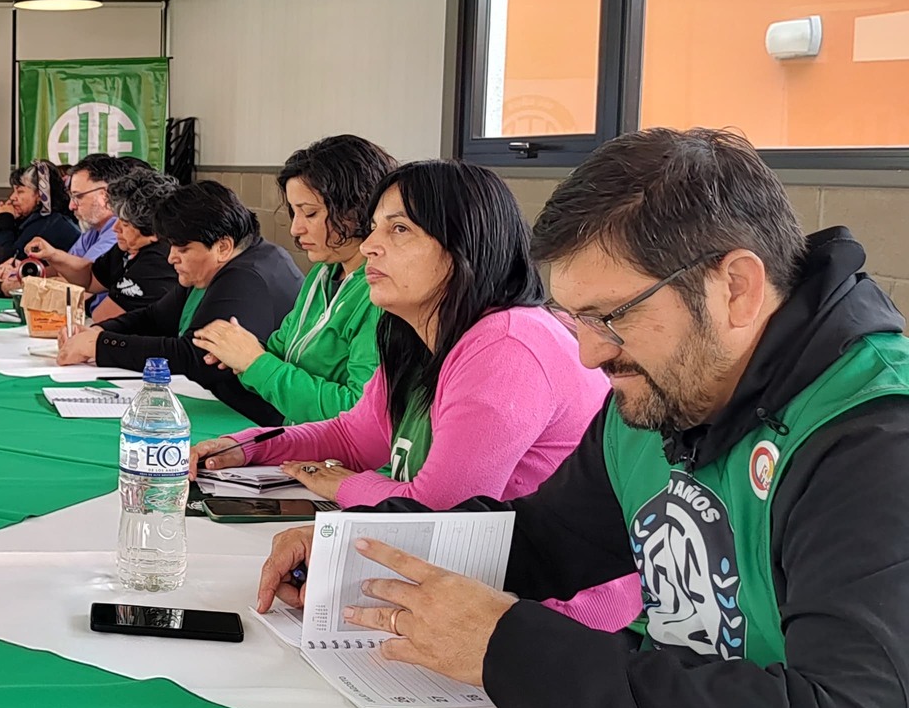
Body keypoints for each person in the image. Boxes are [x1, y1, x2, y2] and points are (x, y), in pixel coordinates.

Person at [255, 129, 909, 708]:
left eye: (611, 316)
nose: (590, 354)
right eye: (576, 319)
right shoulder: (656, 394)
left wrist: (508, 648)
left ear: (736, 289)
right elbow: (546, 540)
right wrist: (361, 557)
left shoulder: (874, 439)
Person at [196, 160, 606, 507]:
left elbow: (440, 510)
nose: (369, 246)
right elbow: (354, 437)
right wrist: (249, 447)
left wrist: (343, 485)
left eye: (399, 230)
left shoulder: (506, 346)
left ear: (464, 244)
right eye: (374, 227)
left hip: (529, 579)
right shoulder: (417, 334)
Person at [191, 134, 397, 424]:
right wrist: (237, 351)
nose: (296, 229)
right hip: (300, 439)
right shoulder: (322, 275)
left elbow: (358, 413)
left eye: (310, 213)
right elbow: (281, 353)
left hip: (335, 450)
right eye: (294, 212)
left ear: (357, 210)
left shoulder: (382, 294)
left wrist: (255, 362)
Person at [58, 181, 301, 422]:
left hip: (250, 420)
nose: (171, 258)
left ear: (222, 247)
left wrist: (102, 346)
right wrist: (97, 332)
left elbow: (196, 357)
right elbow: (155, 317)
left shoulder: (246, 277)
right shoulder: (213, 268)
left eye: (183, 249)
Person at [0, 155, 142, 302]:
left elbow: (80, 286)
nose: (71, 206)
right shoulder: (93, 232)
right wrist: (28, 269)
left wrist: (1, 287)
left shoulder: (117, 233)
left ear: (105, 195)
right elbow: (66, 273)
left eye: (78, 196)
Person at [84, 169, 182, 323]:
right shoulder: (131, 245)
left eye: (125, 223)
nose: (115, 228)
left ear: (153, 231)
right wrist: (54, 255)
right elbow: (91, 279)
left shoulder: (158, 260)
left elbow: (102, 317)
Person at [0, 160, 79, 262]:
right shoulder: (35, 219)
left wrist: (5, 218)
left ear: (40, 195)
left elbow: (9, 260)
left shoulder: (50, 222)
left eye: (20, 191)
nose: (12, 197)